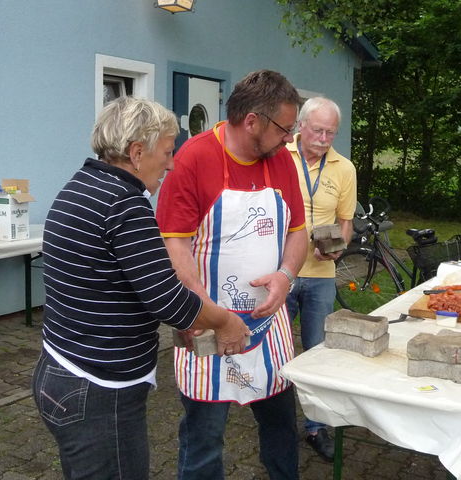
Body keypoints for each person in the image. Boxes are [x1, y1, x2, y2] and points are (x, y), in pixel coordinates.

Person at [32, 96, 249, 480]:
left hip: (59, 370)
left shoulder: (80, 185)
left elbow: (118, 281)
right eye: (167, 152)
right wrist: (224, 321)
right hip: (99, 390)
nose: (171, 163)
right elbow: (168, 300)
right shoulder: (125, 204)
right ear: (136, 153)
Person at [156, 70, 308, 479]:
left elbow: (298, 231)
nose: (290, 139)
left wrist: (285, 275)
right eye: (285, 129)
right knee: (204, 439)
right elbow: (175, 245)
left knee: (281, 428)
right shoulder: (194, 158)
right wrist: (207, 313)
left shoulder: (282, 161)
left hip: (268, 327)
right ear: (252, 121)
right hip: (209, 326)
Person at [285, 97, 356, 461]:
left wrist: (338, 248)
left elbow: (346, 220)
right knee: (276, 350)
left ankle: (316, 426)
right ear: (301, 125)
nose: (325, 139)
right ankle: (277, 423)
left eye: (331, 132)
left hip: (320, 276)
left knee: (317, 353)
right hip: (281, 273)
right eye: (318, 130)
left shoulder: (344, 168)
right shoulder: (280, 157)